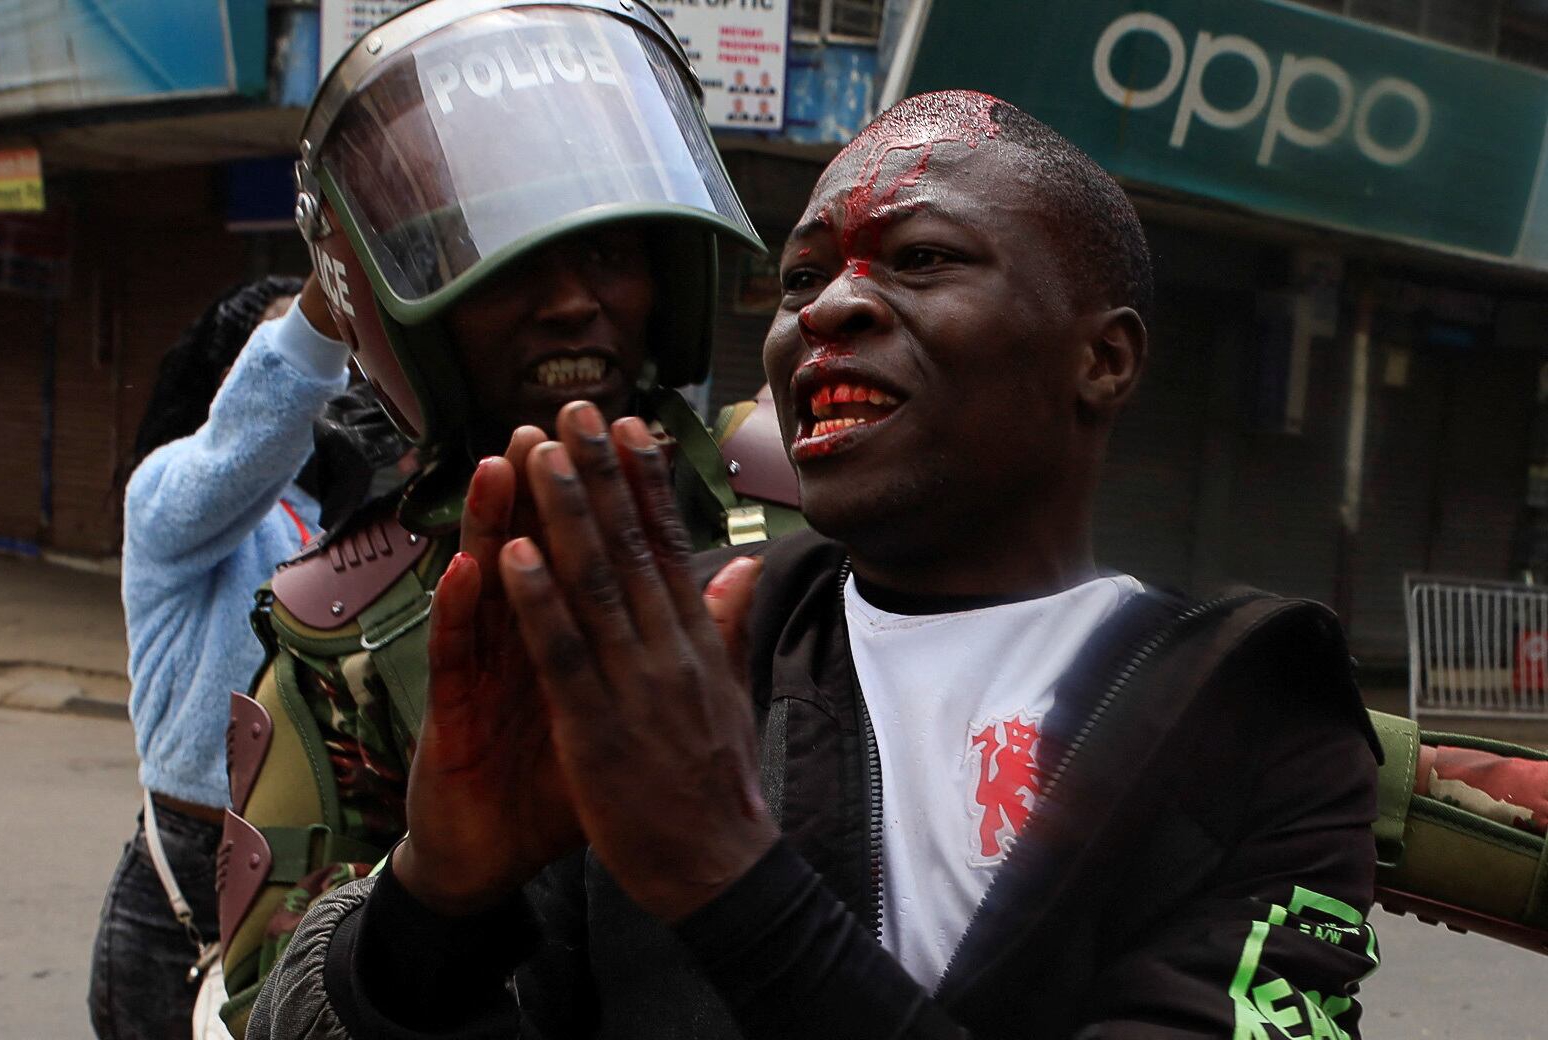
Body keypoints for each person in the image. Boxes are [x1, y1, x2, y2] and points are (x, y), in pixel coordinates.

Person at [247, 91, 1383, 1039]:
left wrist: (726, 878)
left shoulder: (1263, 717)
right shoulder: (669, 659)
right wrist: (435, 903)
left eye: (923, 258)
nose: (831, 306)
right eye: (799, 280)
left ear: (1105, 355)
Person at [211, 3, 798, 1032]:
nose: (574, 301)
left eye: (611, 254)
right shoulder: (343, 630)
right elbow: (272, 1007)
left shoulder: (804, 493)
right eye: (512, 264)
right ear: (407, 309)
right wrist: (431, 894)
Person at [88, 275, 354, 1040]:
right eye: (297, 358)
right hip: (178, 897)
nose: (329, 382)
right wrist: (323, 307)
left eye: (347, 358)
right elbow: (247, 441)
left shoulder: (349, 521)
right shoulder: (169, 496)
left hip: (310, 891)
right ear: (235, 380)